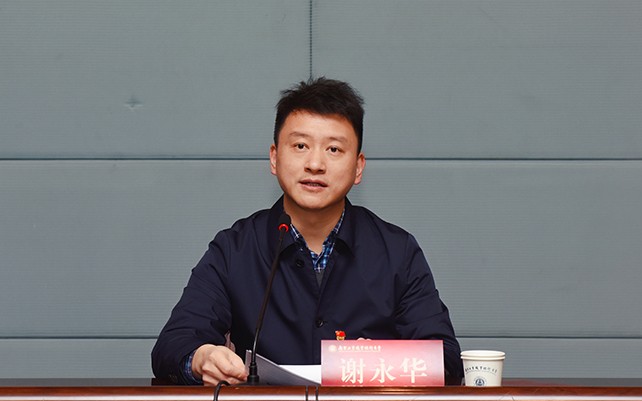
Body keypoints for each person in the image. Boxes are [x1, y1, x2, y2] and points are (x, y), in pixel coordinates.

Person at [151, 77, 463, 385]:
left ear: (358, 167)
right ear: (275, 157)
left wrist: (376, 361)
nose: (315, 164)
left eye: (334, 149)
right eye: (300, 146)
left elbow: (446, 360)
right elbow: (172, 347)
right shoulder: (235, 249)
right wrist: (202, 358)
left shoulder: (397, 251)